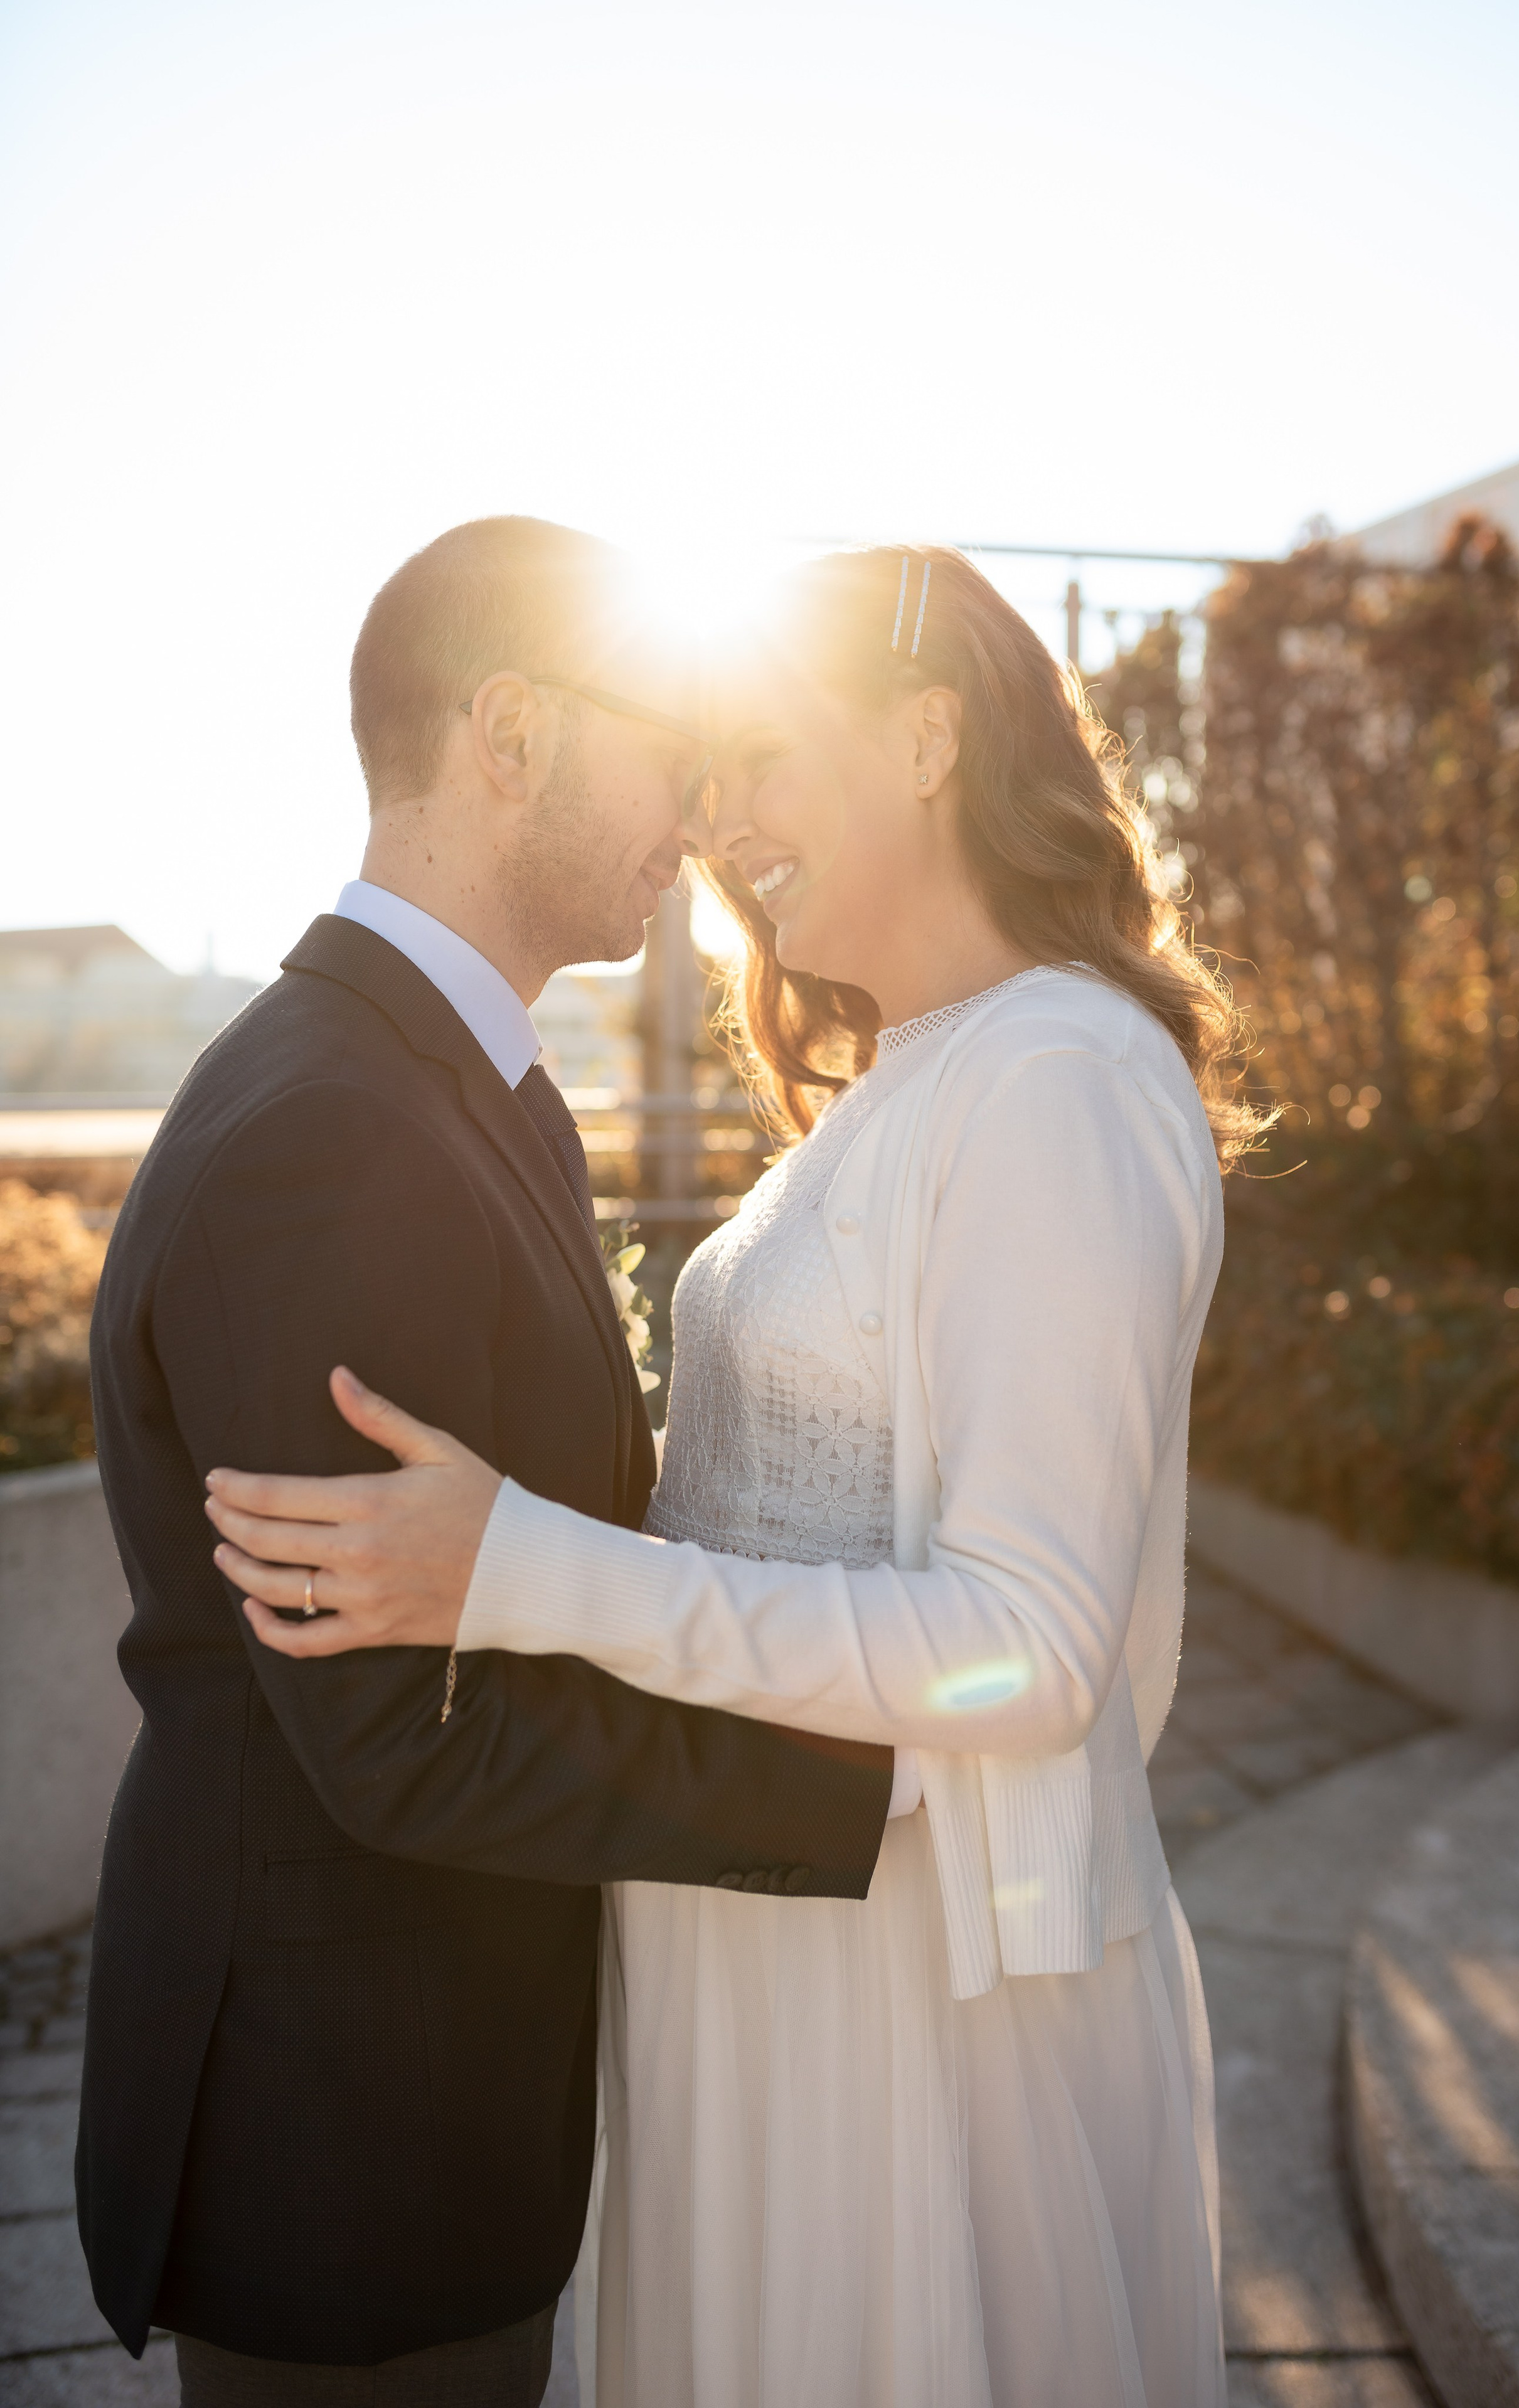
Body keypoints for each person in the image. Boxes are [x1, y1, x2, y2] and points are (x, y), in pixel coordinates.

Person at [210, 545, 1264, 2407]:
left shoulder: (1065, 1084)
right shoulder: (894, 1087)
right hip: (760, 1959)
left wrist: (519, 1570)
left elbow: (1028, 1654)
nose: (719, 820)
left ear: (931, 735)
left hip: (903, 2016)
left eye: (765, 756)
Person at [79, 517, 904, 2408]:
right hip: (343, 2139)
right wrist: (859, 1781)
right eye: (666, 749)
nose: (695, 813)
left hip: (425, 2090)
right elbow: (396, 1725)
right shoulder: (328, 1134)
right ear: (511, 731)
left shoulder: (467, 1089)